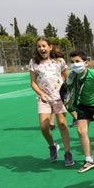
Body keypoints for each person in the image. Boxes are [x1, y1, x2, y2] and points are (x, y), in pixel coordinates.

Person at [29, 37, 73, 166]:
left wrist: (67, 92)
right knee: (43, 126)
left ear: (50, 47)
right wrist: (41, 93)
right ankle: (52, 146)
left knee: (62, 124)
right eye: (39, 46)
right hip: (44, 98)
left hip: (59, 97)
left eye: (44, 46)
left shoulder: (59, 61)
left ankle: (67, 153)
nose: (42, 48)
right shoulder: (33, 62)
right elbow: (33, 82)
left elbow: (67, 77)